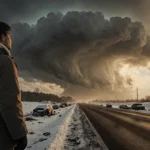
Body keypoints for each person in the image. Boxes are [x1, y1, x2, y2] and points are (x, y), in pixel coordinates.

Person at [0, 22, 28, 150]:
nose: (11, 39)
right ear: (2, 37)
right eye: (10, 35)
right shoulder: (5, 62)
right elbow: (10, 101)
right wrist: (20, 134)